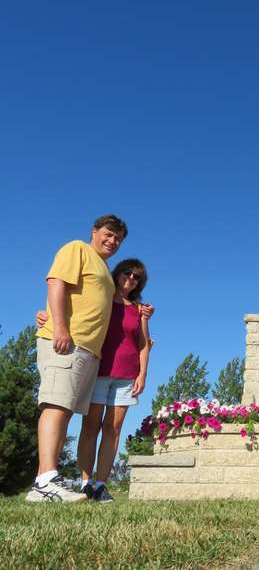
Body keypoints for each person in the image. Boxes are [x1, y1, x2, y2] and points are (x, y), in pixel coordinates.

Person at [27, 215, 128, 502]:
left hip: (87, 351)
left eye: (118, 238)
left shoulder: (104, 269)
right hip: (67, 341)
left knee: (66, 410)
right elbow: (56, 282)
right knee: (56, 405)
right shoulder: (77, 249)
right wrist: (59, 326)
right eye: (108, 234)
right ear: (94, 231)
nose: (113, 241)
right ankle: (45, 481)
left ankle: (46, 481)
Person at [36, 258, 154, 503]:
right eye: (128, 273)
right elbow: (75, 309)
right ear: (117, 273)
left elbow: (143, 344)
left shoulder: (139, 310)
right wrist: (45, 316)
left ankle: (101, 485)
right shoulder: (101, 299)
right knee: (91, 427)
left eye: (137, 277)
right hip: (98, 369)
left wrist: (142, 374)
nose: (131, 279)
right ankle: (86, 482)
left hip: (127, 376)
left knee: (113, 429)